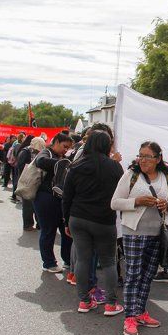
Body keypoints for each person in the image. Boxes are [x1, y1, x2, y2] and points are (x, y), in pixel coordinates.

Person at [111, 141, 168, 335]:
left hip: (156, 233)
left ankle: (140, 311)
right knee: (133, 274)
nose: (142, 160)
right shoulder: (131, 175)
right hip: (133, 232)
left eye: (147, 156)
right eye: (140, 155)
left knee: (148, 275)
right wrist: (137, 202)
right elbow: (114, 203)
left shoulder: (166, 177)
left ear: (158, 159)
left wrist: (166, 205)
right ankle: (130, 317)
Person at [62, 131, 125, 316]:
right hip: (104, 220)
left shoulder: (76, 165)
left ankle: (84, 301)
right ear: (107, 145)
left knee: (83, 260)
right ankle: (111, 304)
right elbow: (122, 193)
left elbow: (67, 197)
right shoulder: (115, 167)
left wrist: (66, 221)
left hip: (78, 218)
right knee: (108, 262)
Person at [34, 133, 74, 272]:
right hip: (45, 198)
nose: (65, 150)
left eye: (68, 148)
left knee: (66, 231)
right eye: (64, 146)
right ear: (56, 142)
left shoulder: (62, 156)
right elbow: (40, 161)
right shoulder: (46, 153)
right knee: (48, 231)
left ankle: (68, 260)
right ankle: (49, 263)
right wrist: (62, 164)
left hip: (60, 200)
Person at [17, 136, 42, 231]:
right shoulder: (25, 152)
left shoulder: (38, 153)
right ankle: (27, 225)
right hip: (27, 182)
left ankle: (39, 224)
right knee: (27, 205)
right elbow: (20, 166)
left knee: (37, 205)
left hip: (36, 181)